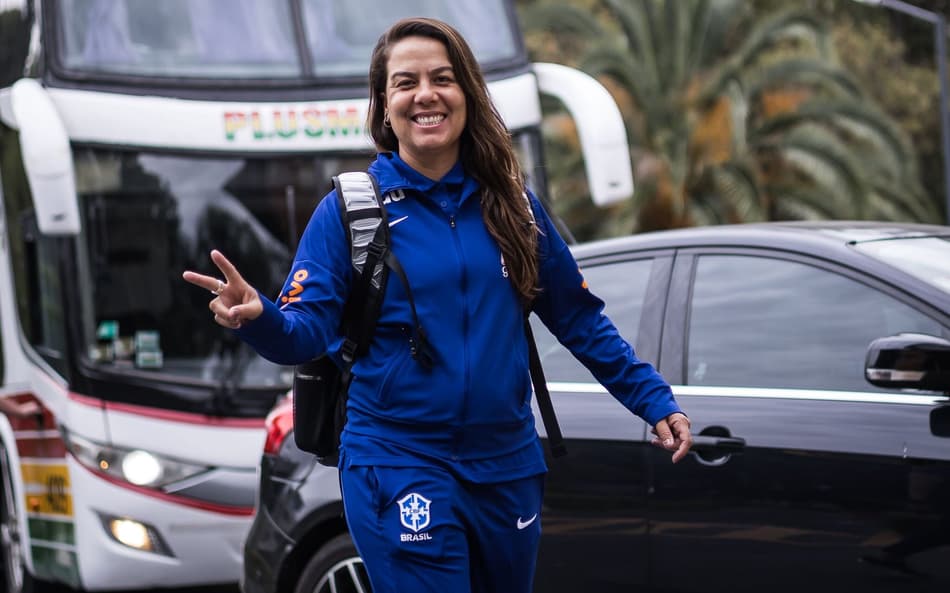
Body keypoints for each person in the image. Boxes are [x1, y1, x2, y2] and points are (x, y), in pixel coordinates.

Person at [183, 16, 691, 593]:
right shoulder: (352, 211)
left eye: (442, 78)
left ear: (466, 94)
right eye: (405, 83)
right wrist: (259, 317)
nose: (425, 94)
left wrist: (652, 399)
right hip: (398, 463)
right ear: (383, 103)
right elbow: (304, 332)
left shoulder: (516, 209)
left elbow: (578, 319)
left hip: (507, 467)